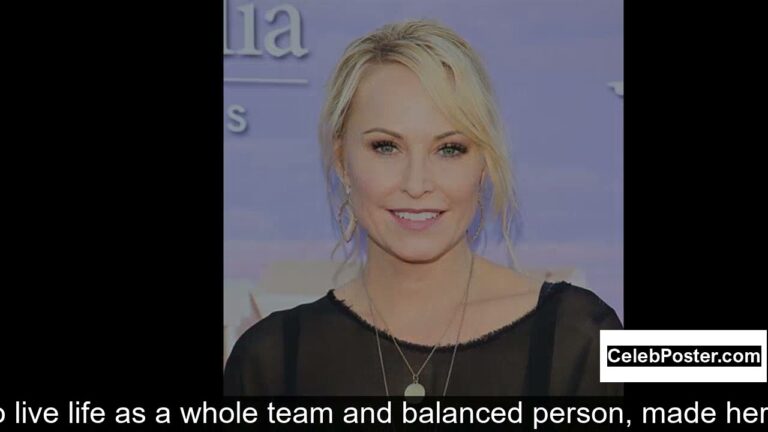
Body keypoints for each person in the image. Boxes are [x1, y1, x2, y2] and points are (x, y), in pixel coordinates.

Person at [223, 19, 622, 397]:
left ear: (483, 165)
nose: (416, 184)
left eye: (449, 149)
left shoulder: (582, 336)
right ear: (343, 162)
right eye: (386, 147)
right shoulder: (268, 360)